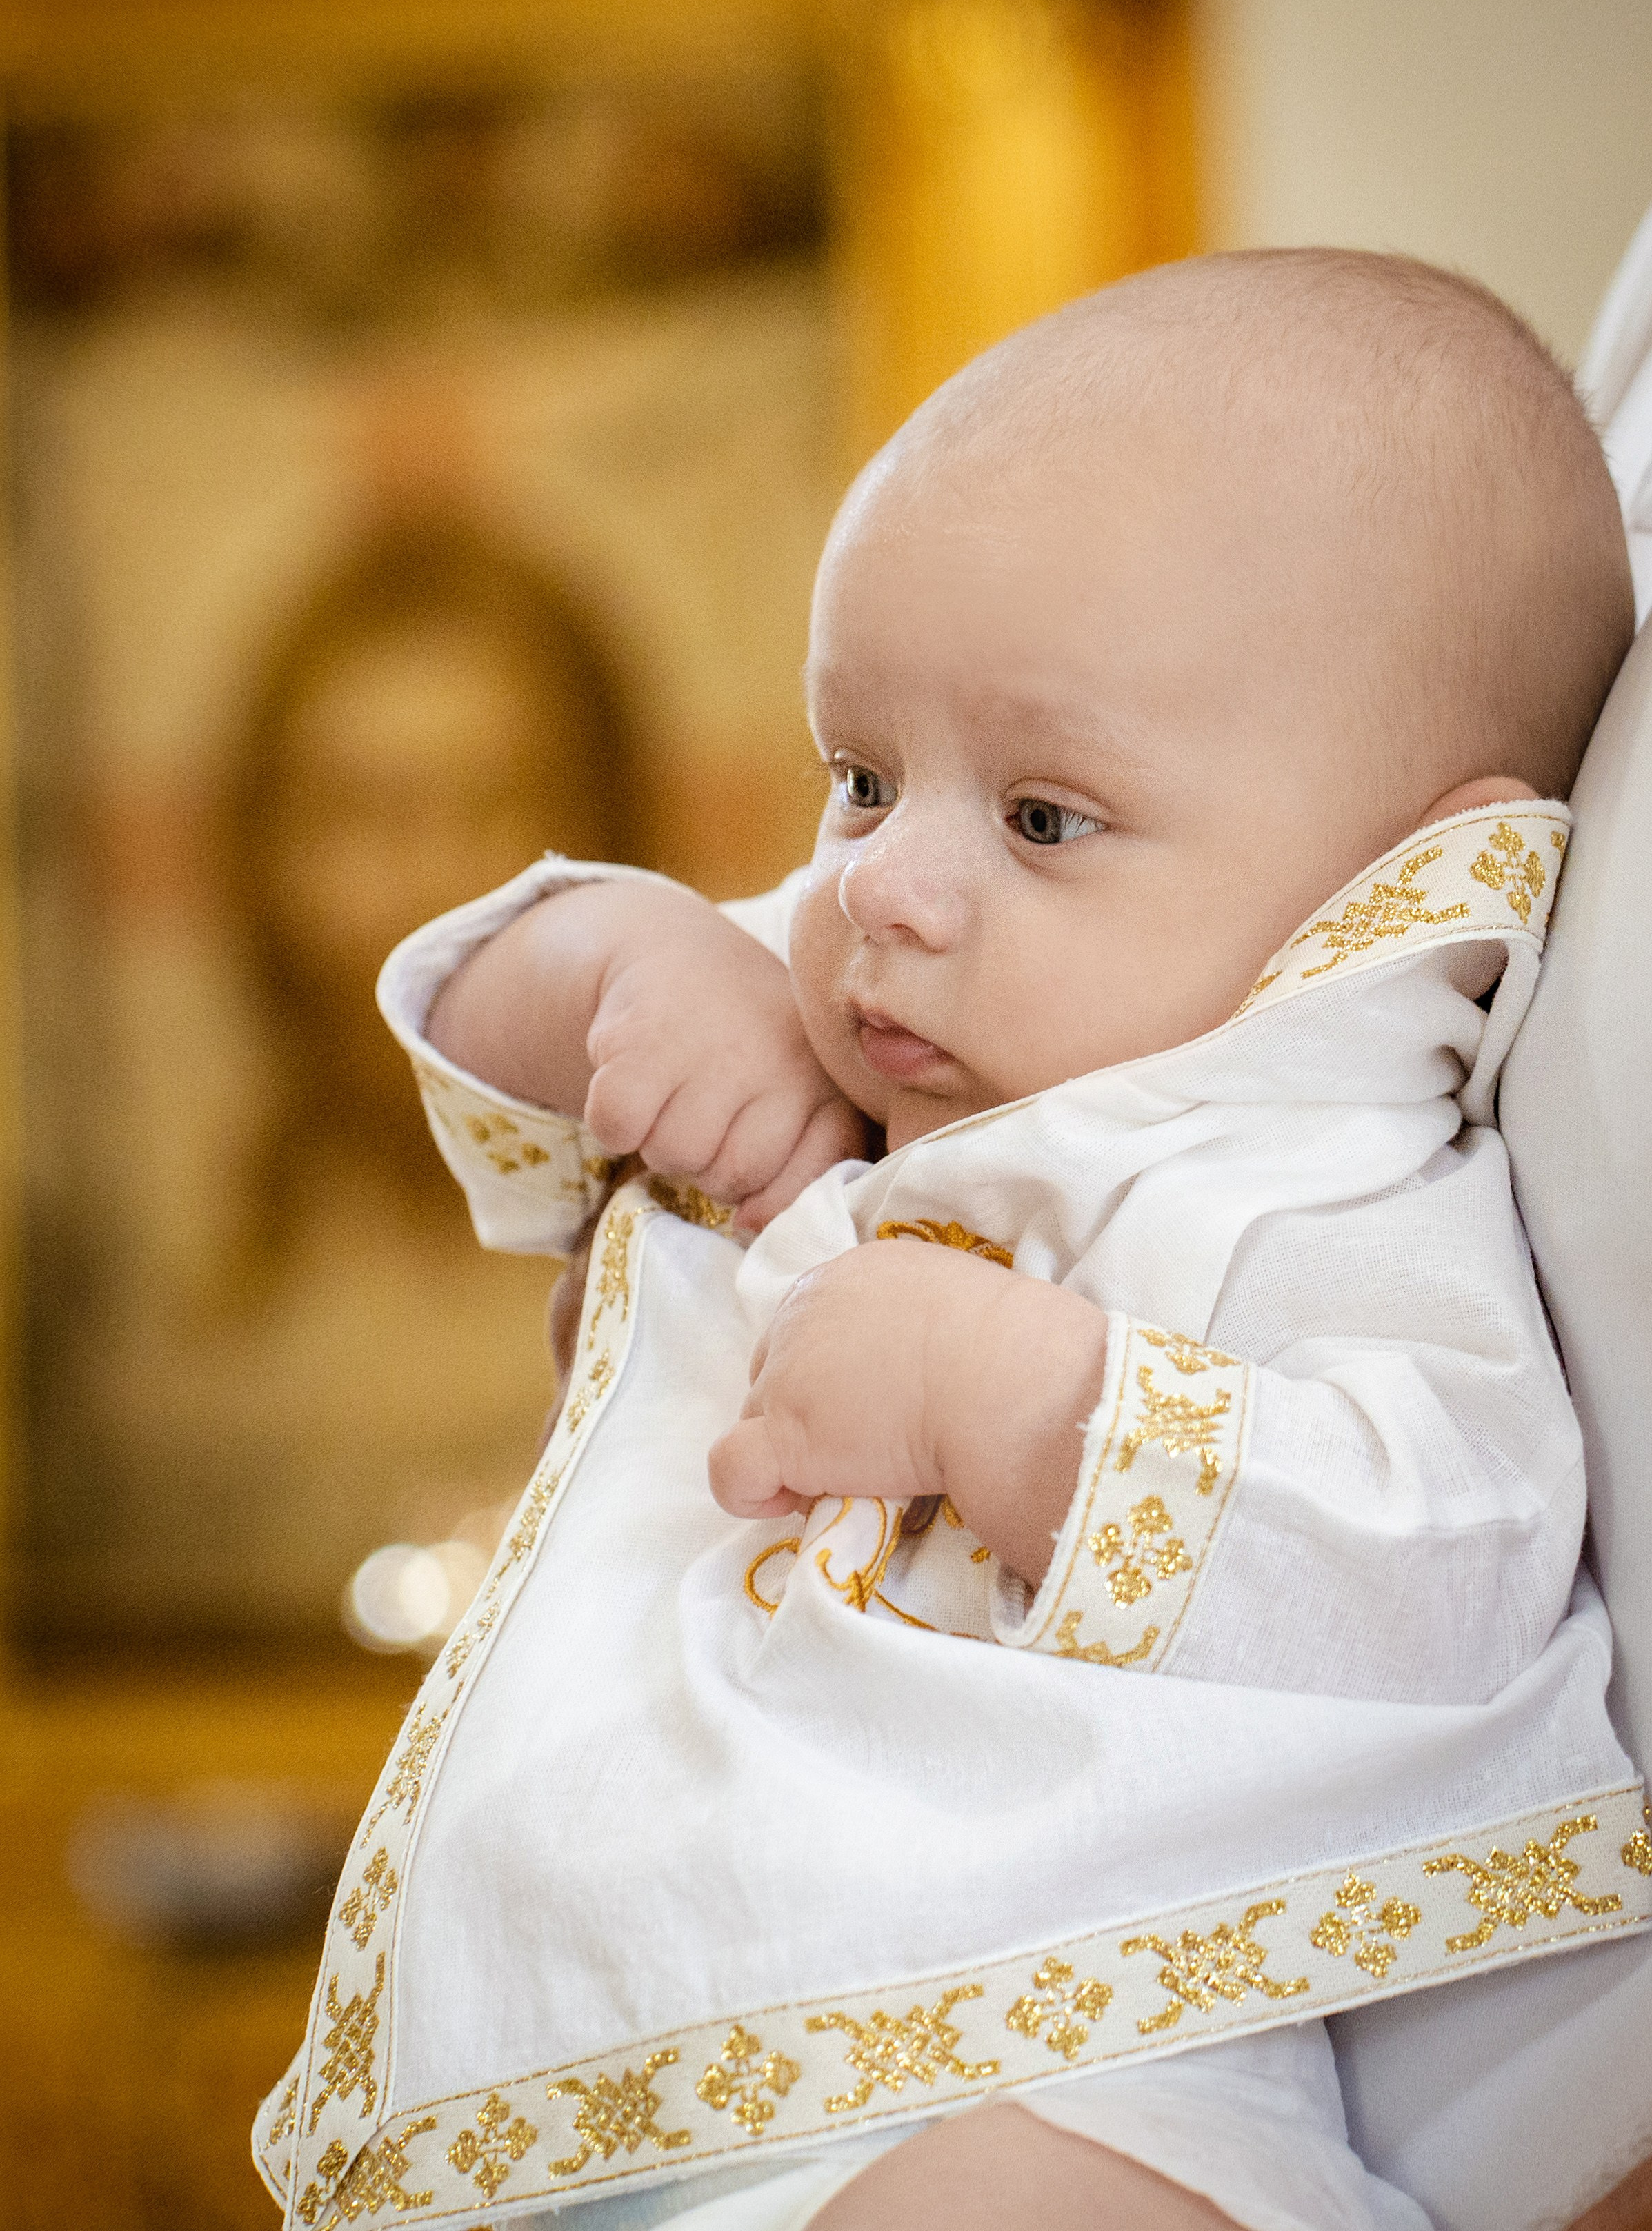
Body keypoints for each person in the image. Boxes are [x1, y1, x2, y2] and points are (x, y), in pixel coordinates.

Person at [257, 251, 1651, 2231]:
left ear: (1395, 877)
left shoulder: (1307, 1174)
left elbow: (1456, 1556)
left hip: (1076, 2067)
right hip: (641, 2067)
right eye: (857, 774)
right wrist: (627, 963)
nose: (885, 878)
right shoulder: (868, 1031)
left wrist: (1027, 1404)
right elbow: (465, 997)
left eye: (1048, 818)